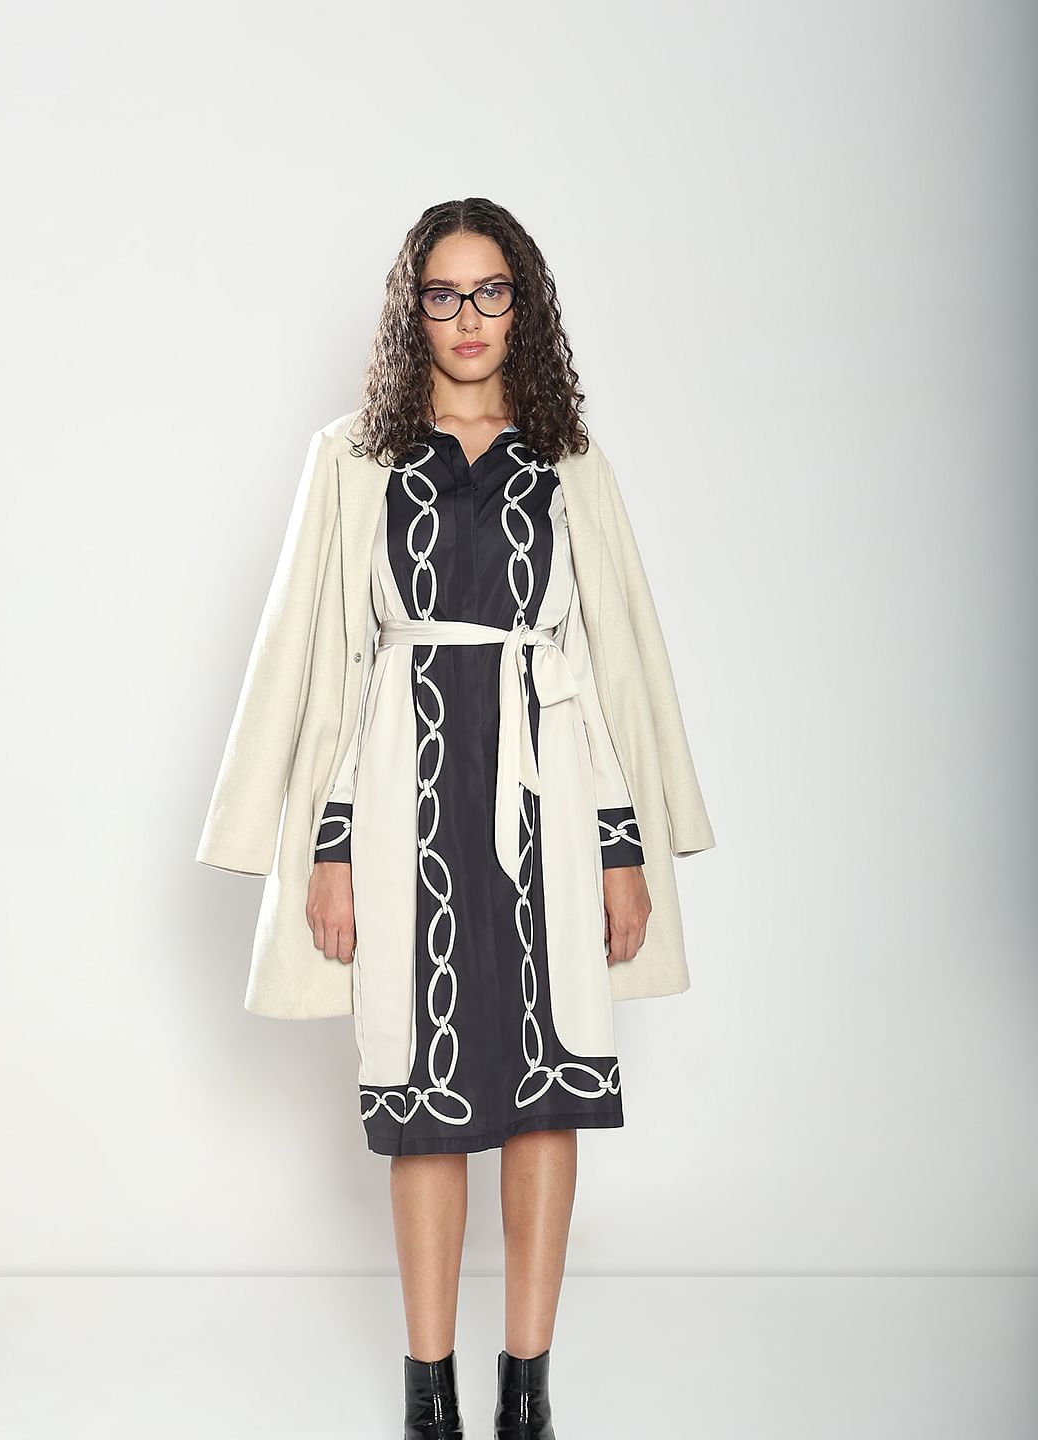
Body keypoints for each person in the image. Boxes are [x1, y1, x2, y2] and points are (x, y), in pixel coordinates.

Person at [200, 197, 715, 1440]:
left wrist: (626, 851)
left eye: (491, 292)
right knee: (422, 1092)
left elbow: (614, 665)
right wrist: (325, 851)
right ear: (411, 310)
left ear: (522, 305)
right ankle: (428, 1400)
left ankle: (526, 1394)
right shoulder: (354, 459)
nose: (469, 317)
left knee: (549, 1087)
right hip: (401, 800)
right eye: (443, 294)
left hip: (551, 805)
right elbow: (321, 660)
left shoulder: (569, 462)